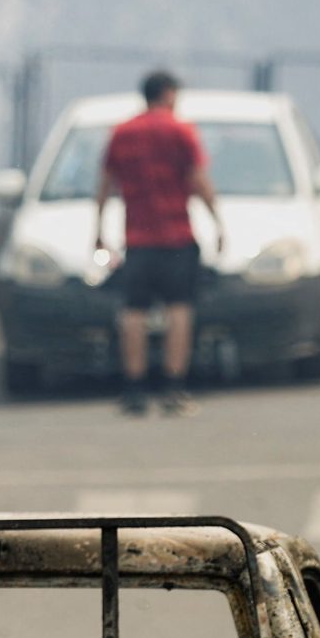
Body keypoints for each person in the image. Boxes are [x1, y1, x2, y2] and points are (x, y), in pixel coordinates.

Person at [96, 70, 225, 416]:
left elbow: (105, 183)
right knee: (179, 310)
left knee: (133, 312)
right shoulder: (181, 130)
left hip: (137, 240)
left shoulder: (122, 133)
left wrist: (98, 230)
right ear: (168, 94)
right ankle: (173, 388)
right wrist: (218, 221)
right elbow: (198, 179)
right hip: (177, 237)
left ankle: (134, 389)